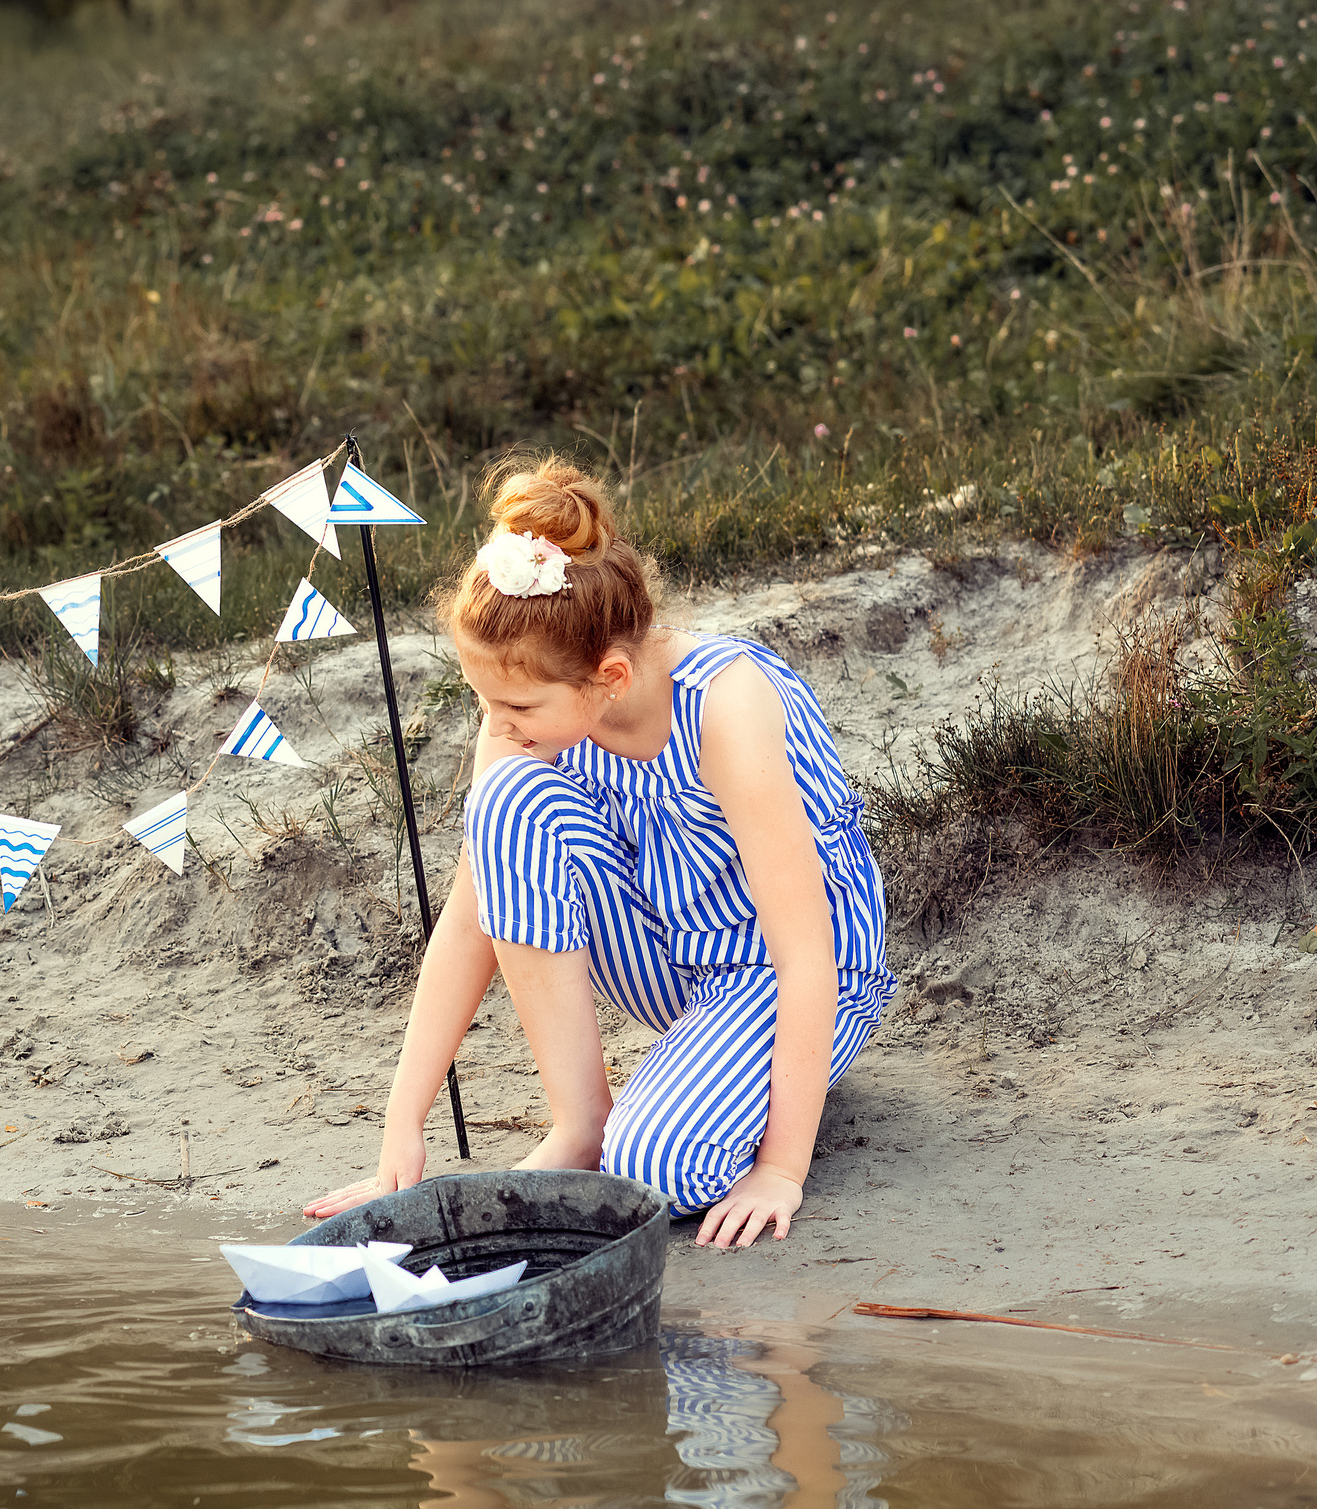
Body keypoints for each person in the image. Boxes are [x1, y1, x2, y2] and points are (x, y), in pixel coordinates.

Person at [305, 459, 893, 1249]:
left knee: (653, 1167)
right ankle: (581, 1120)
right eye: (486, 700)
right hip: (673, 949)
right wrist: (402, 1121)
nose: (498, 722)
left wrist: (782, 1169)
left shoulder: (725, 702)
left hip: (795, 967)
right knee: (502, 801)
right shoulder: (522, 721)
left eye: (514, 705)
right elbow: (474, 910)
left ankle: (746, 1086)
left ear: (608, 676)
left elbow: (807, 952)